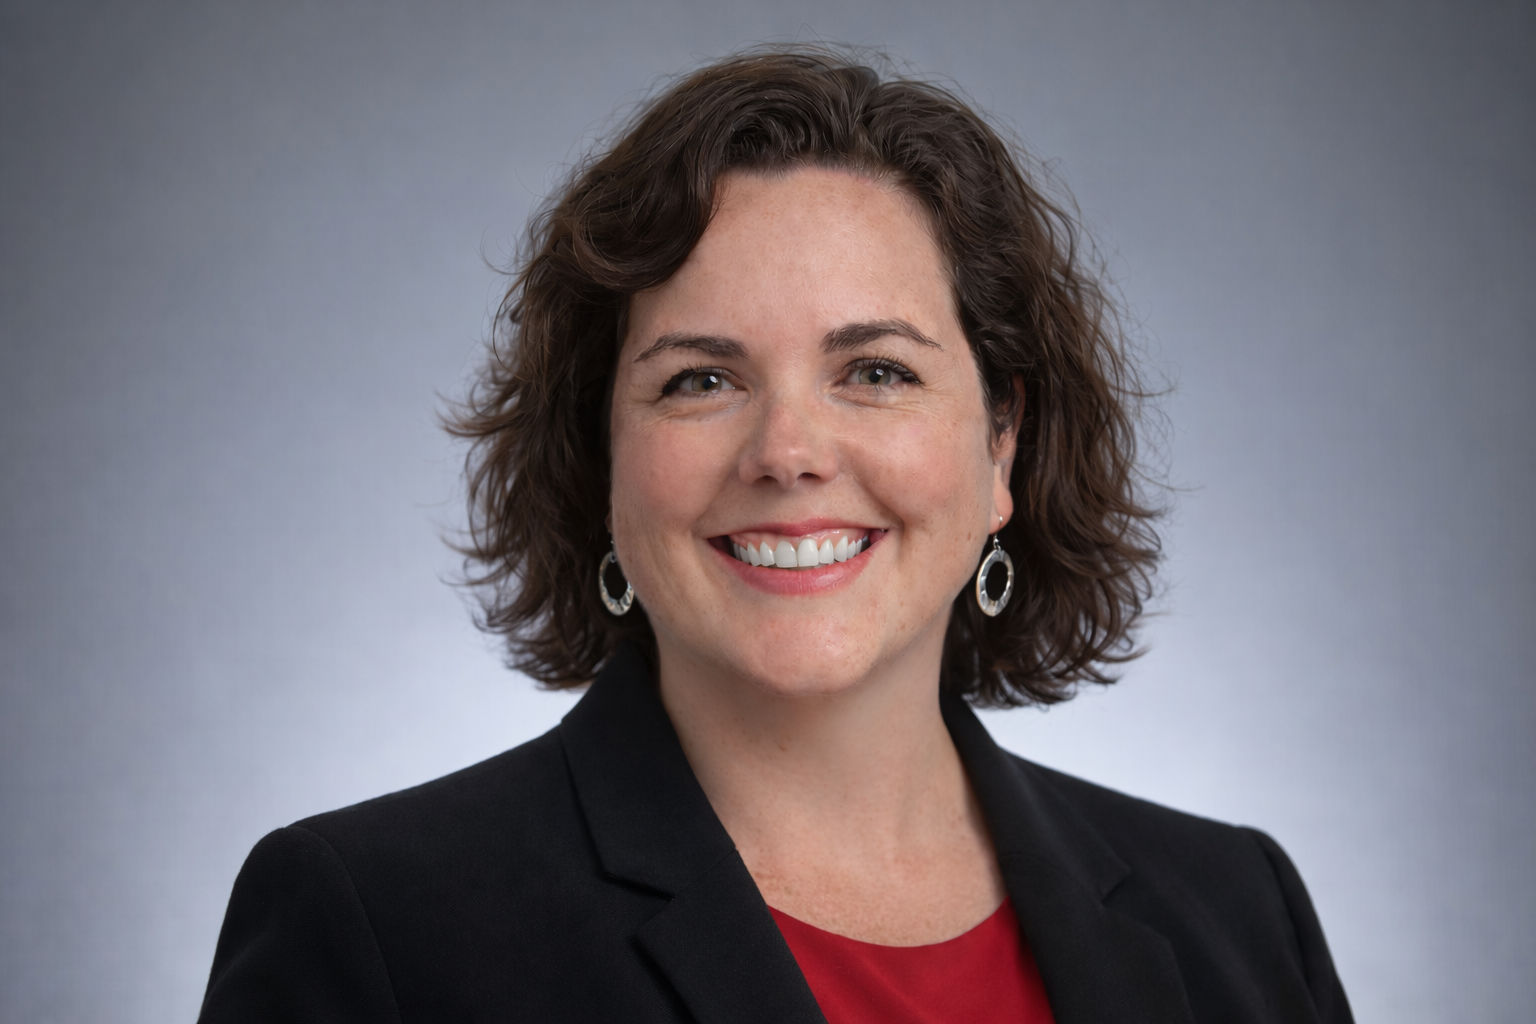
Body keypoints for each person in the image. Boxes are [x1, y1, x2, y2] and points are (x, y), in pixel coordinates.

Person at [199, 48, 1353, 1023]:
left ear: (1000, 445)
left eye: (876, 371)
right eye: (700, 378)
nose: (787, 451)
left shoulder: (1240, 916)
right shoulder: (377, 926)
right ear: (601, 455)